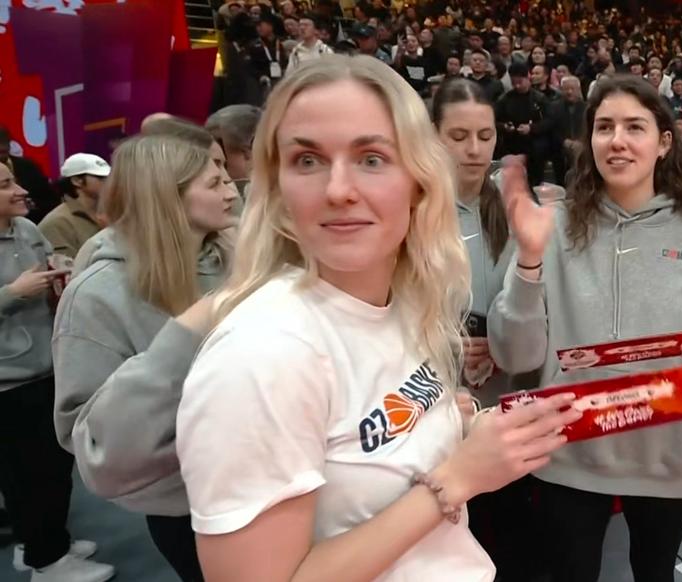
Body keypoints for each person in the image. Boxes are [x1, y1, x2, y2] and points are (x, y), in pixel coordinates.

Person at [175, 54, 577, 581]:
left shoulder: (405, 302)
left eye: (371, 158)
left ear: (419, 180)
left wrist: (454, 424)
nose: (338, 189)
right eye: (308, 160)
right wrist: (459, 478)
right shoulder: (260, 355)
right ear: (278, 187)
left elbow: (373, 439)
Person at [488, 75, 682, 582]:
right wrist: (529, 263)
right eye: (604, 127)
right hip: (570, 454)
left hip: (667, 454)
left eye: (634, 127)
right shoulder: (552, 227)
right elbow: (515, 356)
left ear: (664, 142)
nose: (617, 141)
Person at [52, 134, 239, 582]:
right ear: (167, 196)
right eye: (215, 183)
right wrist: (181, 343)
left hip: (280, 476)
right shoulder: (96, 296)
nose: (232, 192)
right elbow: (89, 440)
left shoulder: (236, 256)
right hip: (193, 507)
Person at [430, 77, 543, 581]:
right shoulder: (410, 209)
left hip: (506, 403)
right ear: (433, 136)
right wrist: (445, 345)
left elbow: (534, 300)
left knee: (515, 540)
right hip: (436, 408)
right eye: (458, 136)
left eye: (485, 135)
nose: (474, 150)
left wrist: (502, 346)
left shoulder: (515, 208)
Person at [0, 162, 111, 582]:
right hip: (9, 381)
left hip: (46, 366)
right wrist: (12, 293)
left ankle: (40, 544)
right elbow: (15, 292)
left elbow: (49, 260)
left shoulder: (27, 230)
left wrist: (59, 267)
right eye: (5, 184)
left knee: (53, 466)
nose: (19, 189)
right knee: (27, 475)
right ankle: (47, 562)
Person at [41, 153, 108, 257]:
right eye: (101, 178)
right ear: (77, 181)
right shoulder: (57, 222)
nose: (110, 182)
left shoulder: (114, 213)